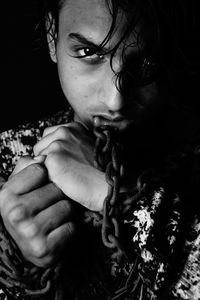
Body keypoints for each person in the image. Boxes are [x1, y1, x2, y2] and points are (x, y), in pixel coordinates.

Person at [0, 0, 200, 299]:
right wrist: (14, 257)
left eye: (146, 62)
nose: (115, 100)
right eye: (88, 52)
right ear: (53, 36)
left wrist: (121, 201)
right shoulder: (8, 154)